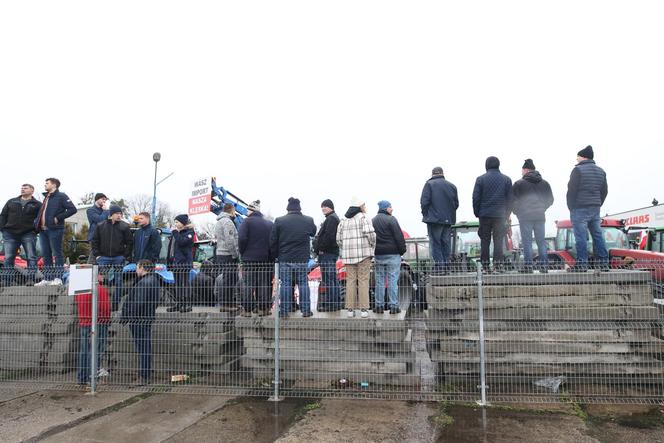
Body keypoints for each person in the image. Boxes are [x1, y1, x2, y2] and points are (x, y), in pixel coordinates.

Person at [270, 197, 317, 318]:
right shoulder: (308, 220)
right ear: (299, 207)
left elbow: (273, 240)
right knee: (303, 283)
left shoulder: (280, 221)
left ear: (288, 208)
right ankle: (306, 311)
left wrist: (275, 256)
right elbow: (313, 232)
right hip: (302, 259)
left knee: (285, 284)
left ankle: (284, 312)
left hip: (285, 258)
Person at [566, 145, 609, 271]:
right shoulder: (601, 171)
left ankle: (582, 264)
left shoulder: (577, 170)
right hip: (595, 208)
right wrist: (598, 203)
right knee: (598, 235)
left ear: (583, 157)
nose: (576, 159)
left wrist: (571, 207)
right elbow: (604, 191)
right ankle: (603, 263)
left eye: (578, 156)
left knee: (580, 236)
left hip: (580, 208)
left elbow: (571, 190)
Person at [119, 260, 161, 385]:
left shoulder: (144, 283)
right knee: (145, 347)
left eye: (137, 267)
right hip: (146, 318)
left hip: (139, 319)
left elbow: (137, 303)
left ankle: (144, 375)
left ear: (142, 268)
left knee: (143, 348)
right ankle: (145, 372)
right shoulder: (154, 281)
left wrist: (127, 317)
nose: (136, 270)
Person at [512, 159, 554, 273]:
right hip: (540, 216)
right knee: (541, 241)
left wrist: (518, 212)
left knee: (527, 242)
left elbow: (512, 201)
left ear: (525, 170)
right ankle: (544, 266)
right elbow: (550, 199)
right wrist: (542, 208)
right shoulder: (545, 183)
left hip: (525, 217)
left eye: (522, 170)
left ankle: (529, 266)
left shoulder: (519, 184)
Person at [337, 197, 376, 318]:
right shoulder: (364, 218)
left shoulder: (343, 220)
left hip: (348, 256)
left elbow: (338, 239)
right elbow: (371, 234)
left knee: (350, 281)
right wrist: (371, 245)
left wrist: (346, 248)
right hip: (363, 254)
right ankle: (364, 310)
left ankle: (350, 310)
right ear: (360, 206)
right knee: (363, 280)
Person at [472, 157, 513, 272]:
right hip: (500, 215)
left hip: (484, 214)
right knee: (498, 240)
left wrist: (477, 212)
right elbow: (510, 199)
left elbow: (476, 197)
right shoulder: (506, 180)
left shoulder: (480, 179)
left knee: (485, 240)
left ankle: (485, 266)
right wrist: (507, 214)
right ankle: (498, 265)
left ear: (486, 165)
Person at [34, 178, 77, 284]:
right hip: (43, 230)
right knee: (46, 255)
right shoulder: (46, 197)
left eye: (47, 183)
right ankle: (48, 279)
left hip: (55, 229)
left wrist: (58, 218)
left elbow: (73, 209)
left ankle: (58, 278)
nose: (45, 185)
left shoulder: (61, 196)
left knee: (57, 253)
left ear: (54, 185)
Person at [91, 205, 133, 309]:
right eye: (117, 214)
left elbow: (130, 242)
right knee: (97, 280)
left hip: (118, 257)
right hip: (103, 258)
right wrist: (97, 255)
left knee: (118, 282)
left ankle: (114, 305)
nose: (119, 216)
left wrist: (124, 256)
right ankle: (97, 303)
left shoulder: (124, 226)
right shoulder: (101, 225)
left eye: (120, 214)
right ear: (111, 214)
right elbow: (95, 241)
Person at [238, 200, 274, 317]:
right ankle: (263, 309)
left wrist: (243, 252)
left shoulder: (246, 222)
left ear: (251, 210)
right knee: (264, 284)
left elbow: (242, 239)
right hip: (265, 259)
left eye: (248, 210)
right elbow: (272, 242)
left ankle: (247, 310)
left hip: (249, 259)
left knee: (248, 284)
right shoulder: (269, 224)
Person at [0, 184, 41, 284]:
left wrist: (35, 231)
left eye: (25, 188)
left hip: (28, 233)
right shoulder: (12, 201)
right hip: (10, 234)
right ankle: (6, 281)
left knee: (31, 257)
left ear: (32, 191)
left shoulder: (37, 204)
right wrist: (3, 229)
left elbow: (40, 219)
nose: (22, 189)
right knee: (9, 258)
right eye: (22, 188)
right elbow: (3, 215)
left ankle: (31, 280)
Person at [420, 167, 459, 273]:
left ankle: (440, 267)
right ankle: (447, 266)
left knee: (435, 242)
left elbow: (424, 202)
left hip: (434, 220)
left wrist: (426, 215)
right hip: (448, 220)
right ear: (442, 173)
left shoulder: (429, 184)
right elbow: (456, 204)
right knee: (446, 242)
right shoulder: (452, 186)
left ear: (432, 174)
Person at [75, 275, 111, 386]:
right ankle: (92, 377)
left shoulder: (81, 289)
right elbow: (105, 307)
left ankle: (82, 378)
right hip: (98, 322)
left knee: (84, 350)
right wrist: (107, 320)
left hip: (84, 322)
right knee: (97, 350)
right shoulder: (100, 289)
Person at [372, 201, 406, 314]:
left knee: (379, 281)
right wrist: (402, 251)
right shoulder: (392, 219)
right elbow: (399, 236)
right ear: (386, 208)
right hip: (392, 254)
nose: (392, 209)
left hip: (378, 254)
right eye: (390, 207)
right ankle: (394, 306)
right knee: (392, 280)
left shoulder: (373, 221)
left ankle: (379, 306)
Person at [314, 199, 341, 311]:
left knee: (329, 279)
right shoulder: (332, 218)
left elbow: (329, 237)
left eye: (325, 206)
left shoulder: (331, 219)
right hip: (330, 253)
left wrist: (320, 248)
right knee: (332, 279)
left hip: (327, 254)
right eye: (322, 207)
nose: (323, 208)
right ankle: (334, 303)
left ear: (331, 207)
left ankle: (332, 305)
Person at [214, 203, 239, 311]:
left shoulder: (220, 221)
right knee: (229, 280)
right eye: (234, 210)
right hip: (228, 254)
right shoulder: (227, 222)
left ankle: (229, 303)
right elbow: (230, 240)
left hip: (221, 253)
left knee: (227, 279)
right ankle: (226, 305)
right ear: (231, 210)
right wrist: (235, 254)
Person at [168, 214, 195, 313]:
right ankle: (179, 303)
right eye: (175, 222)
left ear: (183, 223)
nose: (175, 224)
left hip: (184, 262)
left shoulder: (189, 232)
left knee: (185, 283)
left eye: (177, 222)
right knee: (177, 284)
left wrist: (175, 232)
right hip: (176, 262)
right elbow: (171, 248)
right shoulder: (175, 233)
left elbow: (182, 242)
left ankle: (187, 304)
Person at [86, 193, 109, 263]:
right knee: (94, 256)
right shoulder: (90, 210)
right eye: (103, 199)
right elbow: (100, 220)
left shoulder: (105, 210)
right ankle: (89, 272)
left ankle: (100, 273)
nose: (104, 201)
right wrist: (105, 211)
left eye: (105, 200)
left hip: (105, 236)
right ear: (97, 199)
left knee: (103, 257)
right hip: (94, 237)